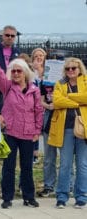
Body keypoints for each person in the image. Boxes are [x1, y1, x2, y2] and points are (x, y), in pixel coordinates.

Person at [0, 48, 44, 209]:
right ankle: (7, 197)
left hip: (28, 133)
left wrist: (37, 131)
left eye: (19, 71)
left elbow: (38, 111)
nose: (16, 74)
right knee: (8, 167)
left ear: (25, 73)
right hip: (11, 132)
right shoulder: (7, 87)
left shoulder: (34, 91)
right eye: (13, 71)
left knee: (27, 167)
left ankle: (29, 196)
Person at [47, 57, 87, 209]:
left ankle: (81, 196)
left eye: (74, 68)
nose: (70, 70)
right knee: (65, 164)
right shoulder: (60, 84)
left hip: (83, 128)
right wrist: (78, 102)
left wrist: (69, 97)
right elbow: (57, 102)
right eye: (68, 68)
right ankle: (62, 196)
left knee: (82, 164)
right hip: (65, 128)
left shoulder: (85, 81)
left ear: (79, 69)